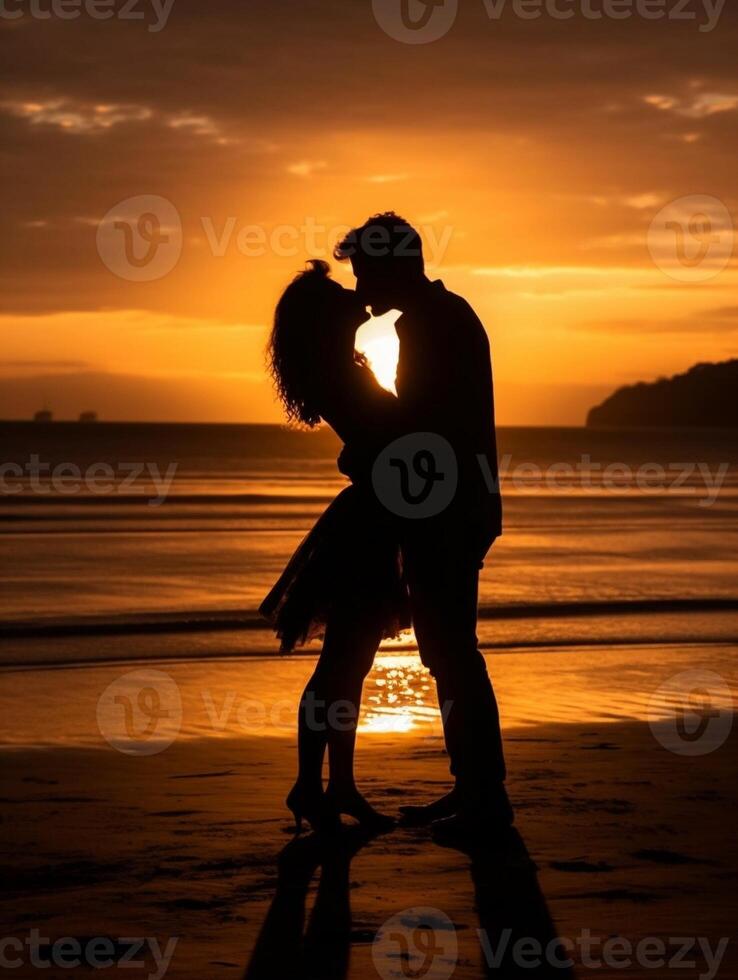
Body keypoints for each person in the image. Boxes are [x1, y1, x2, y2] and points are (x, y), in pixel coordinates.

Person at [333, 213, 512, 841]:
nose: (360, 292)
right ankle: (477, 790)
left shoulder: (437, 326)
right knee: (449, 650)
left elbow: (424, 428)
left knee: (451, 651)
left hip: (448, 507)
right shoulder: (442, 319)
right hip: (457, 502)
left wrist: (365, 441)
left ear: (394, 267)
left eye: (365, 275)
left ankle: (483, 796)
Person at [260, 260, 407, 834]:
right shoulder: (338, 374)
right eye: (339, 294)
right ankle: (311, 784)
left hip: (374, 515)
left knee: (351, 663)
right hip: (368, 522)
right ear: (325, 318)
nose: (353, 295)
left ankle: (334, 785)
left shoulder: (344, 365)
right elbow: (381, 435)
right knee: (340, 664)